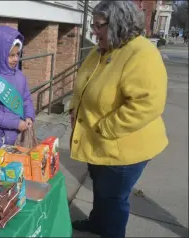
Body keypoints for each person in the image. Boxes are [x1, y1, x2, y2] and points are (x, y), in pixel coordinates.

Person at [69, 1, 168, 238]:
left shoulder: (141, 53)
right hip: (97, 141)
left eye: (99, 25)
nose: (94, 30)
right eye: (93, 24)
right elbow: (83, 85)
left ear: (119, 23)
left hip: (122, 147)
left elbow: (146, 104)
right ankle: (97, 223)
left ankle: (110, 232)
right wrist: (74, 108)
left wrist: (105, 128)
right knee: (101, 191)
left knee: (113, 199)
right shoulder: (101, 50)